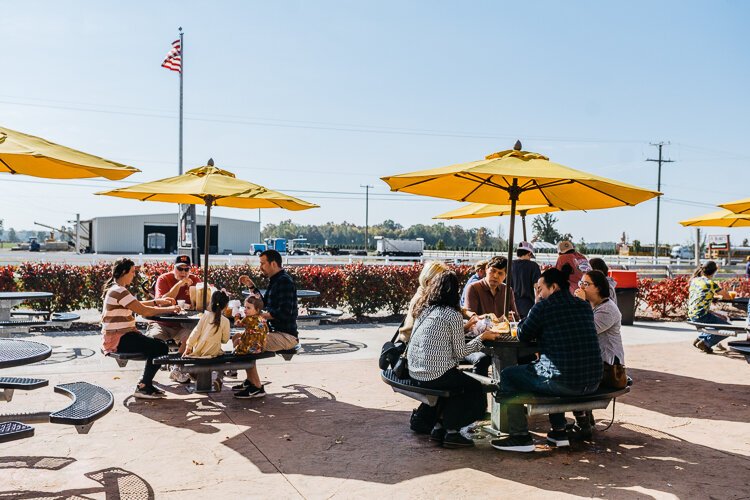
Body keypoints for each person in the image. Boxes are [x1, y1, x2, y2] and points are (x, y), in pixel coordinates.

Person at [490, 264, 602, 453]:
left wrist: (536, 303)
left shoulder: (543, 306)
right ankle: (558, 432)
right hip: (592, 381)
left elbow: (523, 335)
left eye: (540, 289)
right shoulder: (583, 306)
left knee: (509, 375)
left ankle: (520, 437)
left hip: (565, 382)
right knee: (550, 365)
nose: (539, 293)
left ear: (554, 287)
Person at [407, 270, 500, 448]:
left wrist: (466, 327)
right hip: (435, 375)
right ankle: (452, 432)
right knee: (472, 388)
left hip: (415, 371)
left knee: (456, 381)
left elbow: (442, 336)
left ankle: (439, 427)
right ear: (455, 291)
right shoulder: (452, 314)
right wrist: (483, 338)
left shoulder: (426, 309)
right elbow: (460, 352)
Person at [101, 258, 181, 399]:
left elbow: (136, 304)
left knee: (158, 346)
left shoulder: (117, 289)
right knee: (160, 348)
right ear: (124, 272)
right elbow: (145, 311)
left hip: (119, 337)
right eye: (132, 272)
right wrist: (170, 308)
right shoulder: (120, 291)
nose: (134, 275)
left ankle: (145, 383)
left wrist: (158, 301)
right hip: (119, 339)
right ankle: (144, 386)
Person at [235, 249, 299, 398]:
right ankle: (251, 380)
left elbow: (284, 312)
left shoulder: (284, 281)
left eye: (263, 263)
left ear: (274, 263)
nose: (261, 266)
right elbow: (264, 304)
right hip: (273, 332)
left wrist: (257, 316)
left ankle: (256, 387)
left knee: (247, 341)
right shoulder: (276, 280)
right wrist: (251, 286)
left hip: (286, 336)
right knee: (237, 337)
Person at [572, 270, 625, 439]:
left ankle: (583, 423)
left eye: (586, 284)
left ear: (599, 288)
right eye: (581, 283)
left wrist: (580, 304)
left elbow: (586, 331)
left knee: (571, 378)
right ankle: (586, 417)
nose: (581, 287)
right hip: (597, 363)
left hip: (610, 368)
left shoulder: (608, 310)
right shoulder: (593, 306)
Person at [146, 255, 202, 383]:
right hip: (161, 323)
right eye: (180, 269)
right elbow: (161, 302)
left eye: (186, 269)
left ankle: (178, 368)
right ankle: (146, 377)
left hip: (182, 325)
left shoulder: (195, 280)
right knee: (153, 341)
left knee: (194, 335)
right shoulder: (164, 279)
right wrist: (180, 284)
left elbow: (203, 301)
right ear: (173, 268)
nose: (183, 272)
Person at [183, 290, 231, 391]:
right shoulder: (226, 321)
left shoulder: (205, 316)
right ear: (226, 306)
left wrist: (189, 346)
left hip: (199, 350)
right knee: (223, 358)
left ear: (211, 302)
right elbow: (225, 340)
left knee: (200, 356)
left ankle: (195, 373)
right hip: (213, 351)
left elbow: (196, 332)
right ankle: (219, 378)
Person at [399, 261, 450, 342]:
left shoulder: (427, 293)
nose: (444, 283)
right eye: (441, 280)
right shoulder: (422, 300)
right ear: (428, 280)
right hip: (412, 344)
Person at [232, 295, 271, 399]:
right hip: (260, 347)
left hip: (250, 348)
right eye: (245, 307)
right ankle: (250, 381)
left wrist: (236, 316)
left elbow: (237, 324)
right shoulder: (262, 317)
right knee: (237, 337)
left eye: (248, 308)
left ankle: (234, 369)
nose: (245, 310)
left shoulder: (248, 319)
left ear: (257, 309)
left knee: (236, 341)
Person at [688, 261, 731, 354]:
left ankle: (701, 338)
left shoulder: (695, 280)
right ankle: (706, 343)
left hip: (692, 314)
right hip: (701, 315)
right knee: (728, 328)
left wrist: (712, 297)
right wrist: (720, 288)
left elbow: (701, 294)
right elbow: (727, 297)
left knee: (720, 320)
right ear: (715, 271)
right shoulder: (711, 283)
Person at [465, 255, 520, 320]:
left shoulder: (507, 290)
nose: (495, 276)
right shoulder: (473, 288)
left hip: (503, 330)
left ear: (505, 275)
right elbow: (471, 318)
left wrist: (511, 317)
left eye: (500, 273)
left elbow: (516, 317)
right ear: (486, 269)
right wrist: (497, 320)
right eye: (493, 271)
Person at [511, 241, 541, 318]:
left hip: (510, 304)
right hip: (527, 305)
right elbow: (537, 286)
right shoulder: (533, 266)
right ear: (529, 253)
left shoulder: (509, 264)